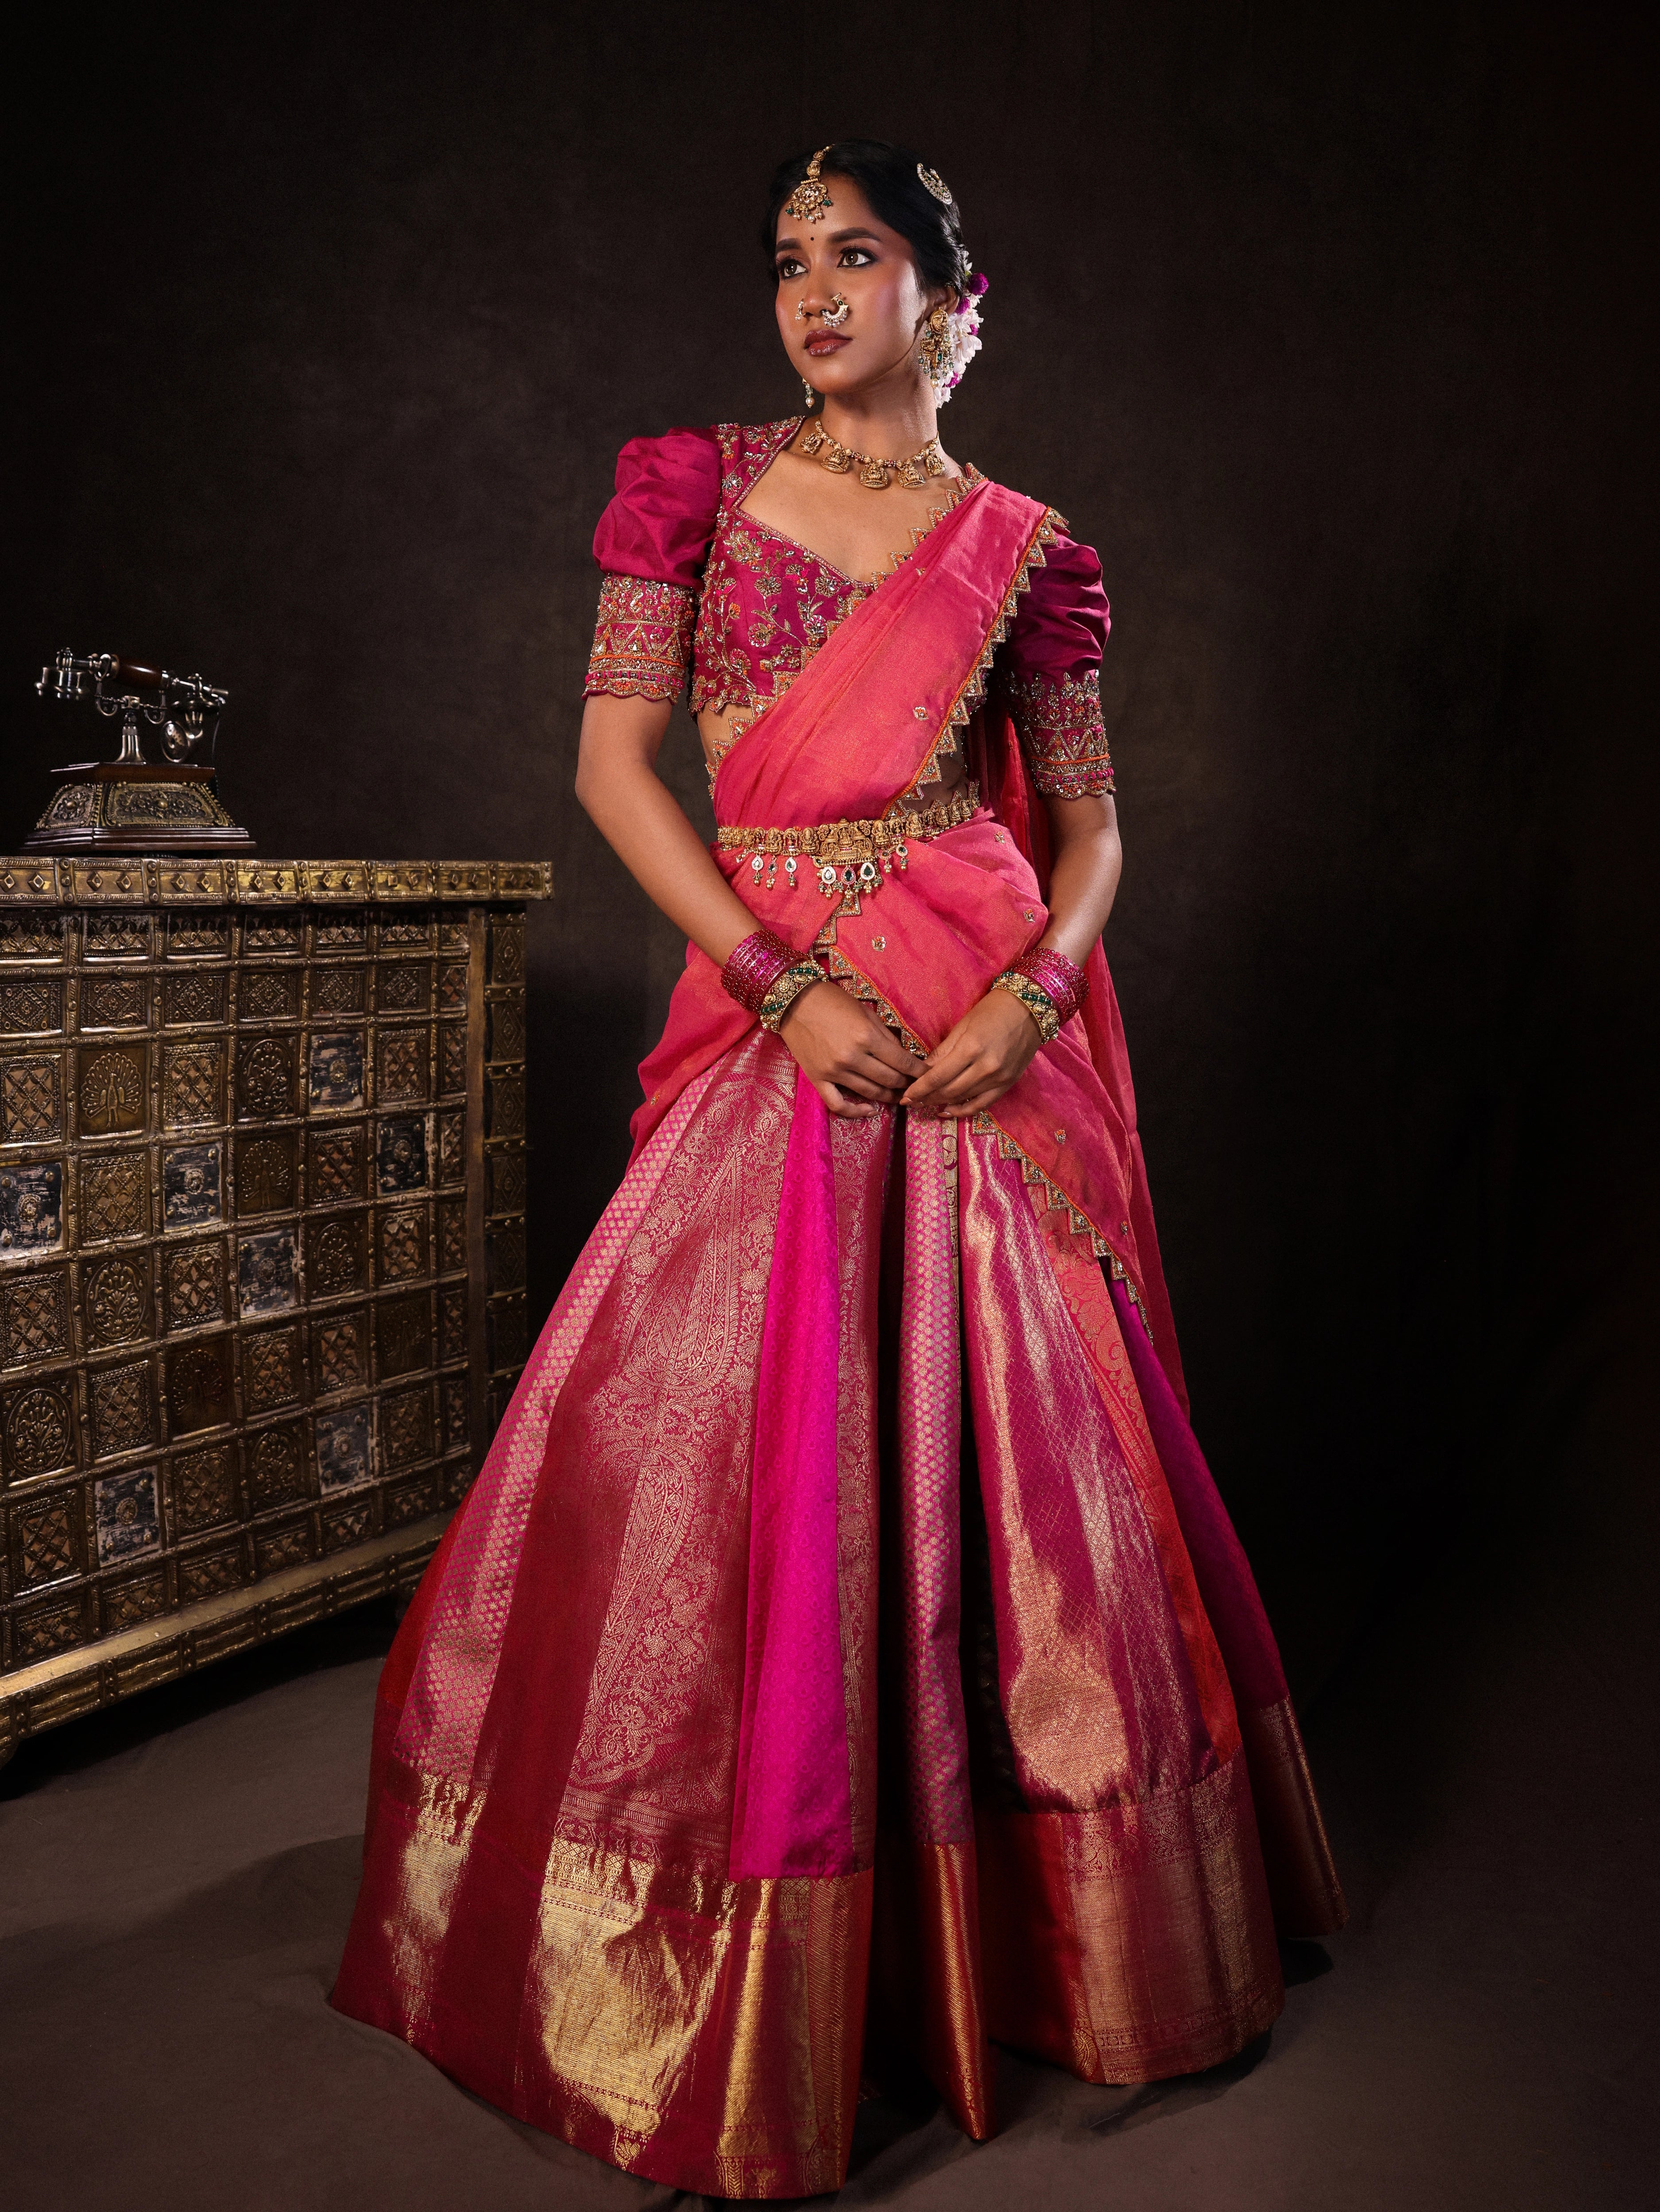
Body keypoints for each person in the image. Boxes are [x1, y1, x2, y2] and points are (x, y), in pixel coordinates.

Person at [330, 138, 1345, 2200]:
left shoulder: (1025, 547)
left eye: (854, 254)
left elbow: (1088, 832)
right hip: (779, 1008)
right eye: (786, 259)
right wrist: (777, 978)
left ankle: (1021, 1934)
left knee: (1027, 1478)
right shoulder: (686, 490)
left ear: (948, 297)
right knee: (740, 1450)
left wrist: (1037, 1003)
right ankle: (742, 1938)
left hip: (978, 1014)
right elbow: (615, 767)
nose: (808, 291)